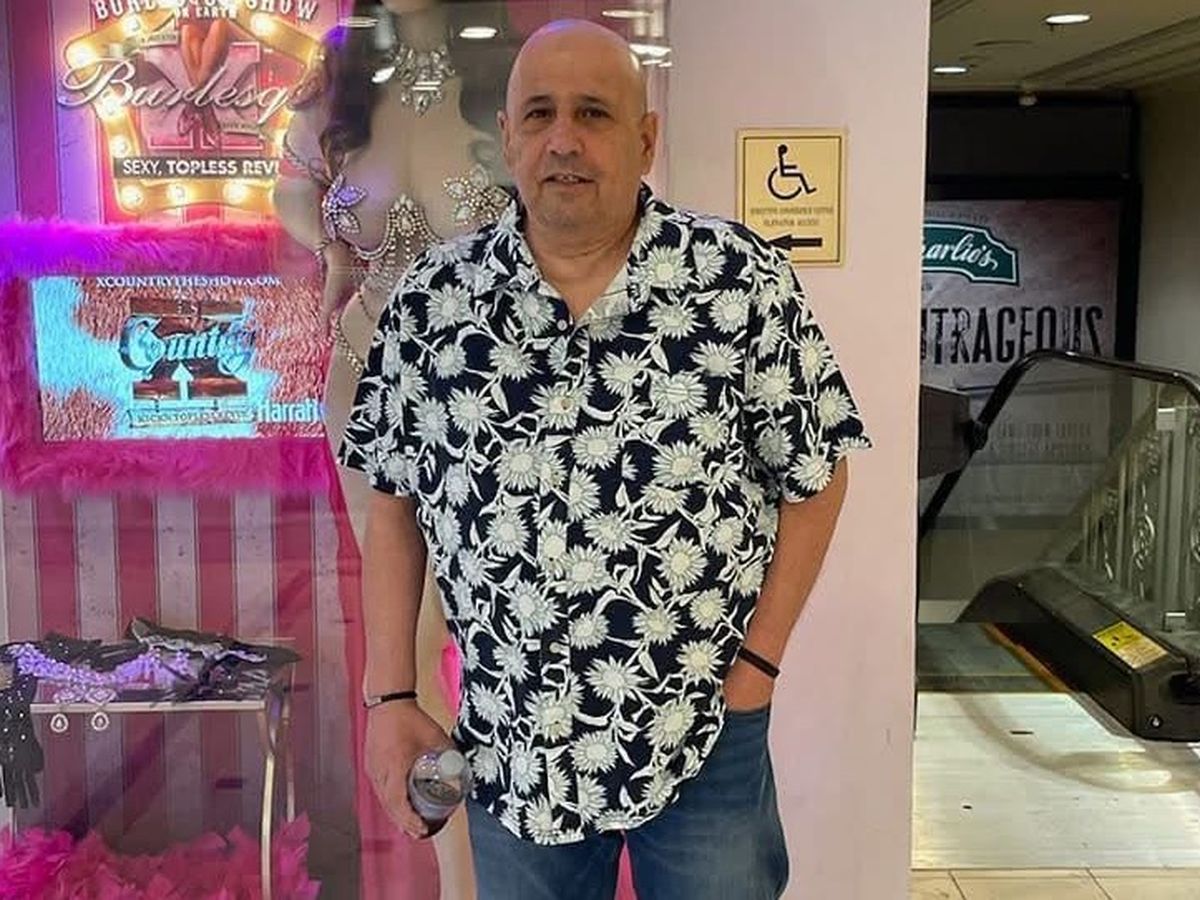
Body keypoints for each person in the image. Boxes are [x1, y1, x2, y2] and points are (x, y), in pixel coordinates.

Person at [338, 18, 870, 900]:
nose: (564, 139)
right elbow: (393, 502)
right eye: (539, 114)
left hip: (703, 730)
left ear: (645, 139)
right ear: (507, 137)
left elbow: (817, 475)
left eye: (593, 113)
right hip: (514, 744)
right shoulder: (432, 302)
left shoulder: (737, 282)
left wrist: (758, 668)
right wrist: (390, 696)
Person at [272, 2, 513, 896]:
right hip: (364, 382)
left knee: (495, 636)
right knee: (408, 649)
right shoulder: (341, 81)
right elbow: (289, 191)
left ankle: (504, 865)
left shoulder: (506, 74)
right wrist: (331, 250)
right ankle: (460, 877)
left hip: (491, 394)